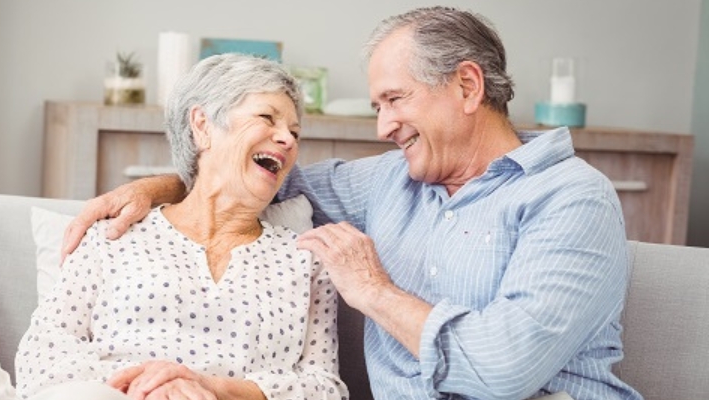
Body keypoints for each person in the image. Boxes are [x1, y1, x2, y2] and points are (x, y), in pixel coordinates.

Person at [62, 7, 642, 400]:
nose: (384, 126)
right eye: (377, 107)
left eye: (395, 100)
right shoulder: (392, 181)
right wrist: (156, 187)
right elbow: (252, 181)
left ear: (467, 86)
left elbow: (504, 368)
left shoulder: (570, 199)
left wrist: (373, 292)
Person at [17, 53, 348, 400]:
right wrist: (152, 385)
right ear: (203, 126)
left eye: (295, 132)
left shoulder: (306, 261)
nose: (288, 139)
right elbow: (42, 356)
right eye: (267, 117)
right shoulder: (113, 235)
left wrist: (210, 388)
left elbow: (325, 388)